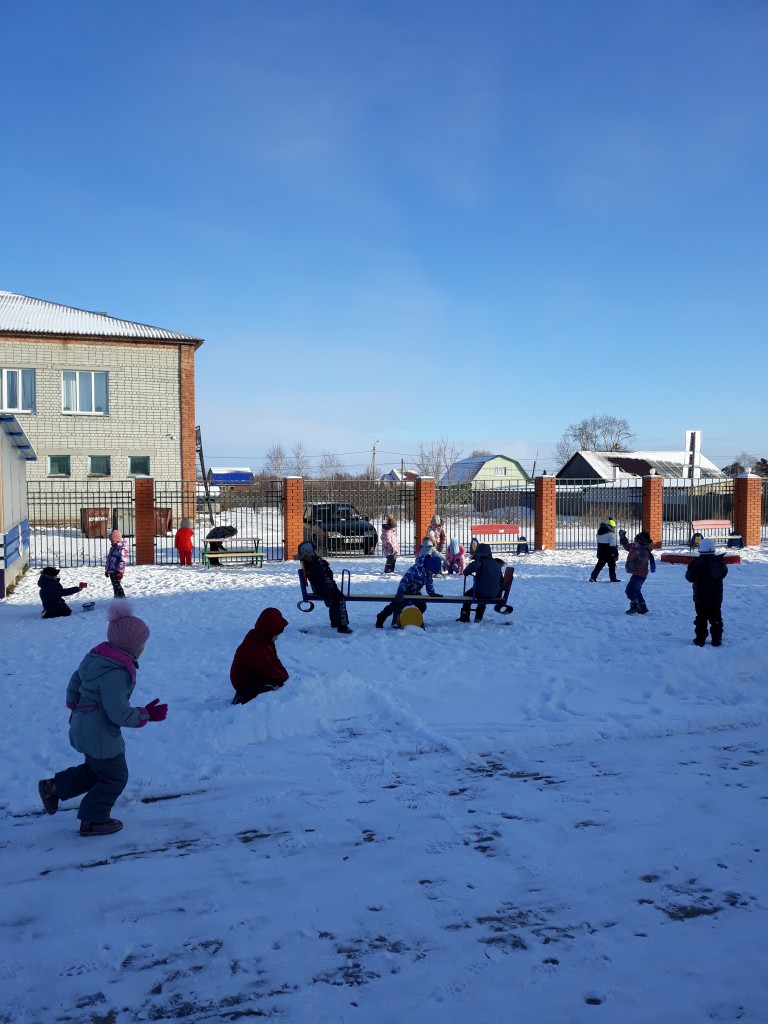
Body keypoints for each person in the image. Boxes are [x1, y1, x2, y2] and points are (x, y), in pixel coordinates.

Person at [37, 601, 167, 837]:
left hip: (84, 726)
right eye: (142, 643)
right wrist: (146, 714)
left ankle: (53, 788)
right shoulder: (117, 672)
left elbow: (75, 682)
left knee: (96, 770)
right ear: (130, 646)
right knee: (115, 777)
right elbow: (119, 713)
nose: (143, 648)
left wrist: (77, 708)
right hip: (101, 735)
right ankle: (94, 820)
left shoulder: (97, 658)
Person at [231, 607, 289, 703]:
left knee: (275, 683)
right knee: (269, 690)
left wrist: (285, 675)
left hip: (256, 673)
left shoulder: (266, 639)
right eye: (275, 635)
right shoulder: (255, 647)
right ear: (268, 632)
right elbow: (269, 669)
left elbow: (274, 659)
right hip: (245, 681)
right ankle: (242, 697)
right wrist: (283, 679)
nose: (276, 638)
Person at [298, 541, 353, 634]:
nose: (316, 551)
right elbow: (321, 581)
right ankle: (342, 626)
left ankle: (335, 622)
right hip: (326, 588)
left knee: (336, 598)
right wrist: (326, 596)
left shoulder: (311, 562)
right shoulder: (314, 564)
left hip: (326, 587)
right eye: (314, 550)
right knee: (339, 599)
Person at [376, 554, 442, 629]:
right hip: (405, 591)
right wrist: (400, 591)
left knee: (422, 606)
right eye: (431, 571)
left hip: (415, 592)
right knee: (396, 605)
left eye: (432, 573)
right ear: (428, 566)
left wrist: (432, 593)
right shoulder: (415, 569)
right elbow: (405, 580)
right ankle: (382, 616)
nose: (431, 573)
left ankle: (415, 618)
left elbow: (429, 582)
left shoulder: (428, 572)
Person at [685, 539, 728, 646]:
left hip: (700, 597)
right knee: (716, 617)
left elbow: (689, 577)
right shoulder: (718, 562)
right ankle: (716, 639)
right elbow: (723, 573)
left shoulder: (696, 563)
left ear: (700, 549)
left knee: (701, 617)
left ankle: (700, 639)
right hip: (716, 596)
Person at [458, 543, 504, 623]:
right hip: (493, 593)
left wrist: (475, 562)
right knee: (483, 598)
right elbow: (501, 580)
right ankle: (479, 616)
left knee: (467, 595)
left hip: (480, 592)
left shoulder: (480, 562)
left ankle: (464, 616)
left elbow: (466, 571)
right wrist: (498, 594)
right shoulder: (496, 564)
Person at [619, 529, 656, 614]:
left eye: (636, 541)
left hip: (640, 575)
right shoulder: (635, 547)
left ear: (641, 543)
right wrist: (623, 537)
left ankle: (635, 606)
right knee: (636, 590)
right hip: (638, 574)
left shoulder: (643, 551)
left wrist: (632, 566)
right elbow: (627, 546)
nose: (634, 542)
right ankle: (643, 607)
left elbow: (641, 564)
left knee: (629, 590)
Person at [589, 518, 620, 583]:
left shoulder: (599, 533)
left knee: (599, 565)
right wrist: (616, 554)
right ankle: (613, 578)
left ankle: (593, 577)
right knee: (612, 565)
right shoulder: (611, 534)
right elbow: (613, 545)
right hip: (609, 553)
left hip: (601, 552)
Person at [105, 528, 128, 598]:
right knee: (115, 586)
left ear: (116, 540)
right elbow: (109, 559)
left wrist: (120, 571)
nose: (111, 542)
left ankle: (122, 598)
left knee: (117, 585)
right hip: (111, 570)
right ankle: (117, 598)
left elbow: (123, 560)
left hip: (117, 571)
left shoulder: (121, 548)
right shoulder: (113, 548)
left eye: (112, 540)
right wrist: (107, 570)